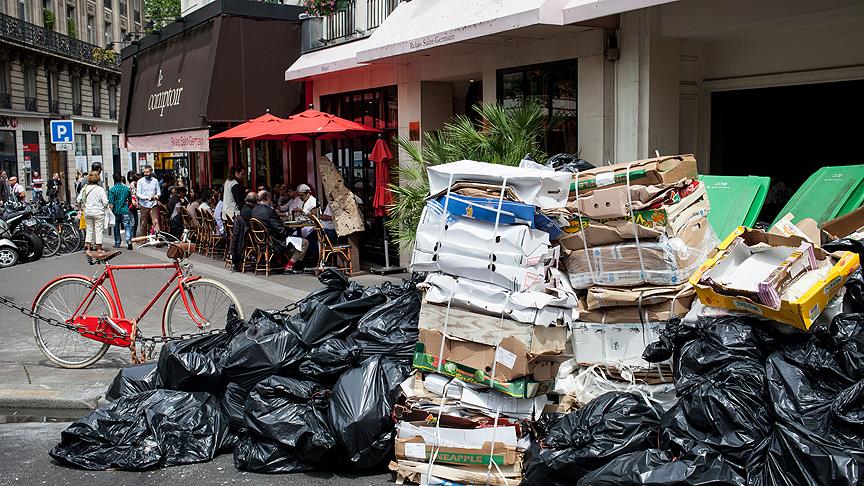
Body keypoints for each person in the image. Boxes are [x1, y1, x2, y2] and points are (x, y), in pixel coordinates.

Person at [252, 190, 308, 274]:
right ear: (267, 198)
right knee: (304, 243)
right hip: (275, 242)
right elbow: (281, 230)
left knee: (295, 241)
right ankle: (290, 266)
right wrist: (290, 232)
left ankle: (286, 261)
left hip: (263, 241)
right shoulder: (269, 211)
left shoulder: (254, 210)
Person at [77, 170, 108, 252]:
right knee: (98, 230)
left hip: (87, 211)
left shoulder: (85, 188)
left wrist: (80, 209)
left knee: (89, 229)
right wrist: (104, 207)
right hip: (98, 212)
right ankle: (99, 248)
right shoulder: (100, 189)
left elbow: (78, 199)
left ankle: (88, 248)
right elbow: (105, 202)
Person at [108, 173, 133, 250]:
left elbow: (111, 202)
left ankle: (117, 242)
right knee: (127, 226)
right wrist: (127, 206)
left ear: (114, 179)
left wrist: (110, 212)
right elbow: (130, 200)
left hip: (116, 211)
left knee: (116, 227)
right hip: (125, 210)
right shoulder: (126, 189)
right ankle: (129, 241)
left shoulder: (112, 190)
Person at [136, 165, 161, 236]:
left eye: (147, 172)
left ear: (151, 171)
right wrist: (146, 197)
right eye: (145, 172)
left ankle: (157, 238)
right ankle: (143, 239)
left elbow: (158, 192)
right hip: (144, 204)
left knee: (156, 222)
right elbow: (138, 193)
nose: (146, 174)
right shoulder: (140, 181)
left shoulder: (155, 181)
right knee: (143, 223)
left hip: (153, 204)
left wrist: (157, 195)